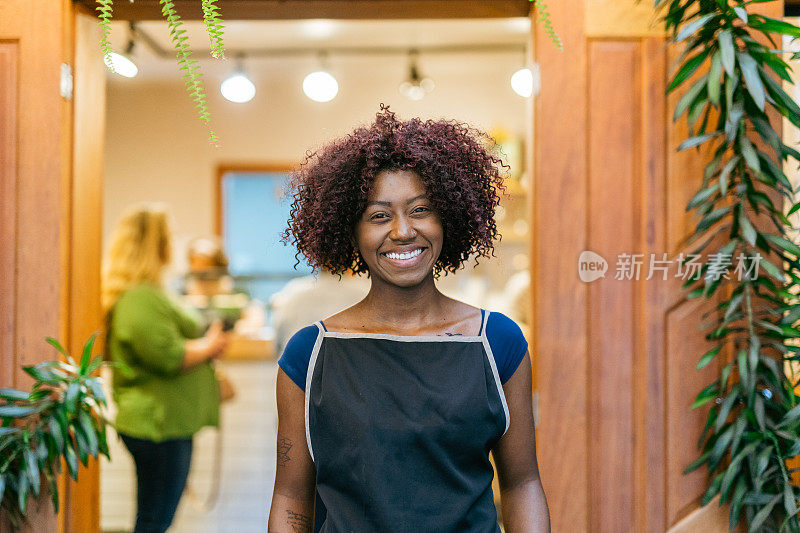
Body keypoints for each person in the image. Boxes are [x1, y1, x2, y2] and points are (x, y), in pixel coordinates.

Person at [269, 106, 550, 532]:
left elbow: (523, 482)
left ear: (449, 217)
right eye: (379, 215)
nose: (403, 231)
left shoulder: (497, 343)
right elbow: (291, 496)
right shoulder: (309, 355)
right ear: (352, 231)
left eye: (420, 210)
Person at [102, 204, 229, 533]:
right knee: (154, 521)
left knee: (157, 517)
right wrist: (210, 345)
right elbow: (167, 355)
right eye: (168, 237)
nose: (174, 243)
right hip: (157, 427)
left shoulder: (150, 293)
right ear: (155, 245)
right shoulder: (140, 298)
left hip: (166, 425)